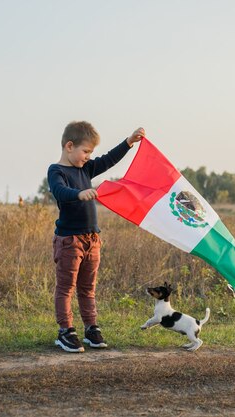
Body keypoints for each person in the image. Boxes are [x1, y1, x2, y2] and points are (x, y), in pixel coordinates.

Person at [47, 121, 144, 352]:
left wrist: (129, 142)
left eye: (91, 153)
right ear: (69, 146)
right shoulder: (56, 170)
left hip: (92, 240)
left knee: (88, 288)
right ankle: (66, 331)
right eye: (86, 151)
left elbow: (108, 159)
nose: (89, 157)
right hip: (70, 241)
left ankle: (91, 328)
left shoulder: (86, 169)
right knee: (66, 288)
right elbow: (59, 190)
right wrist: (79, 193)